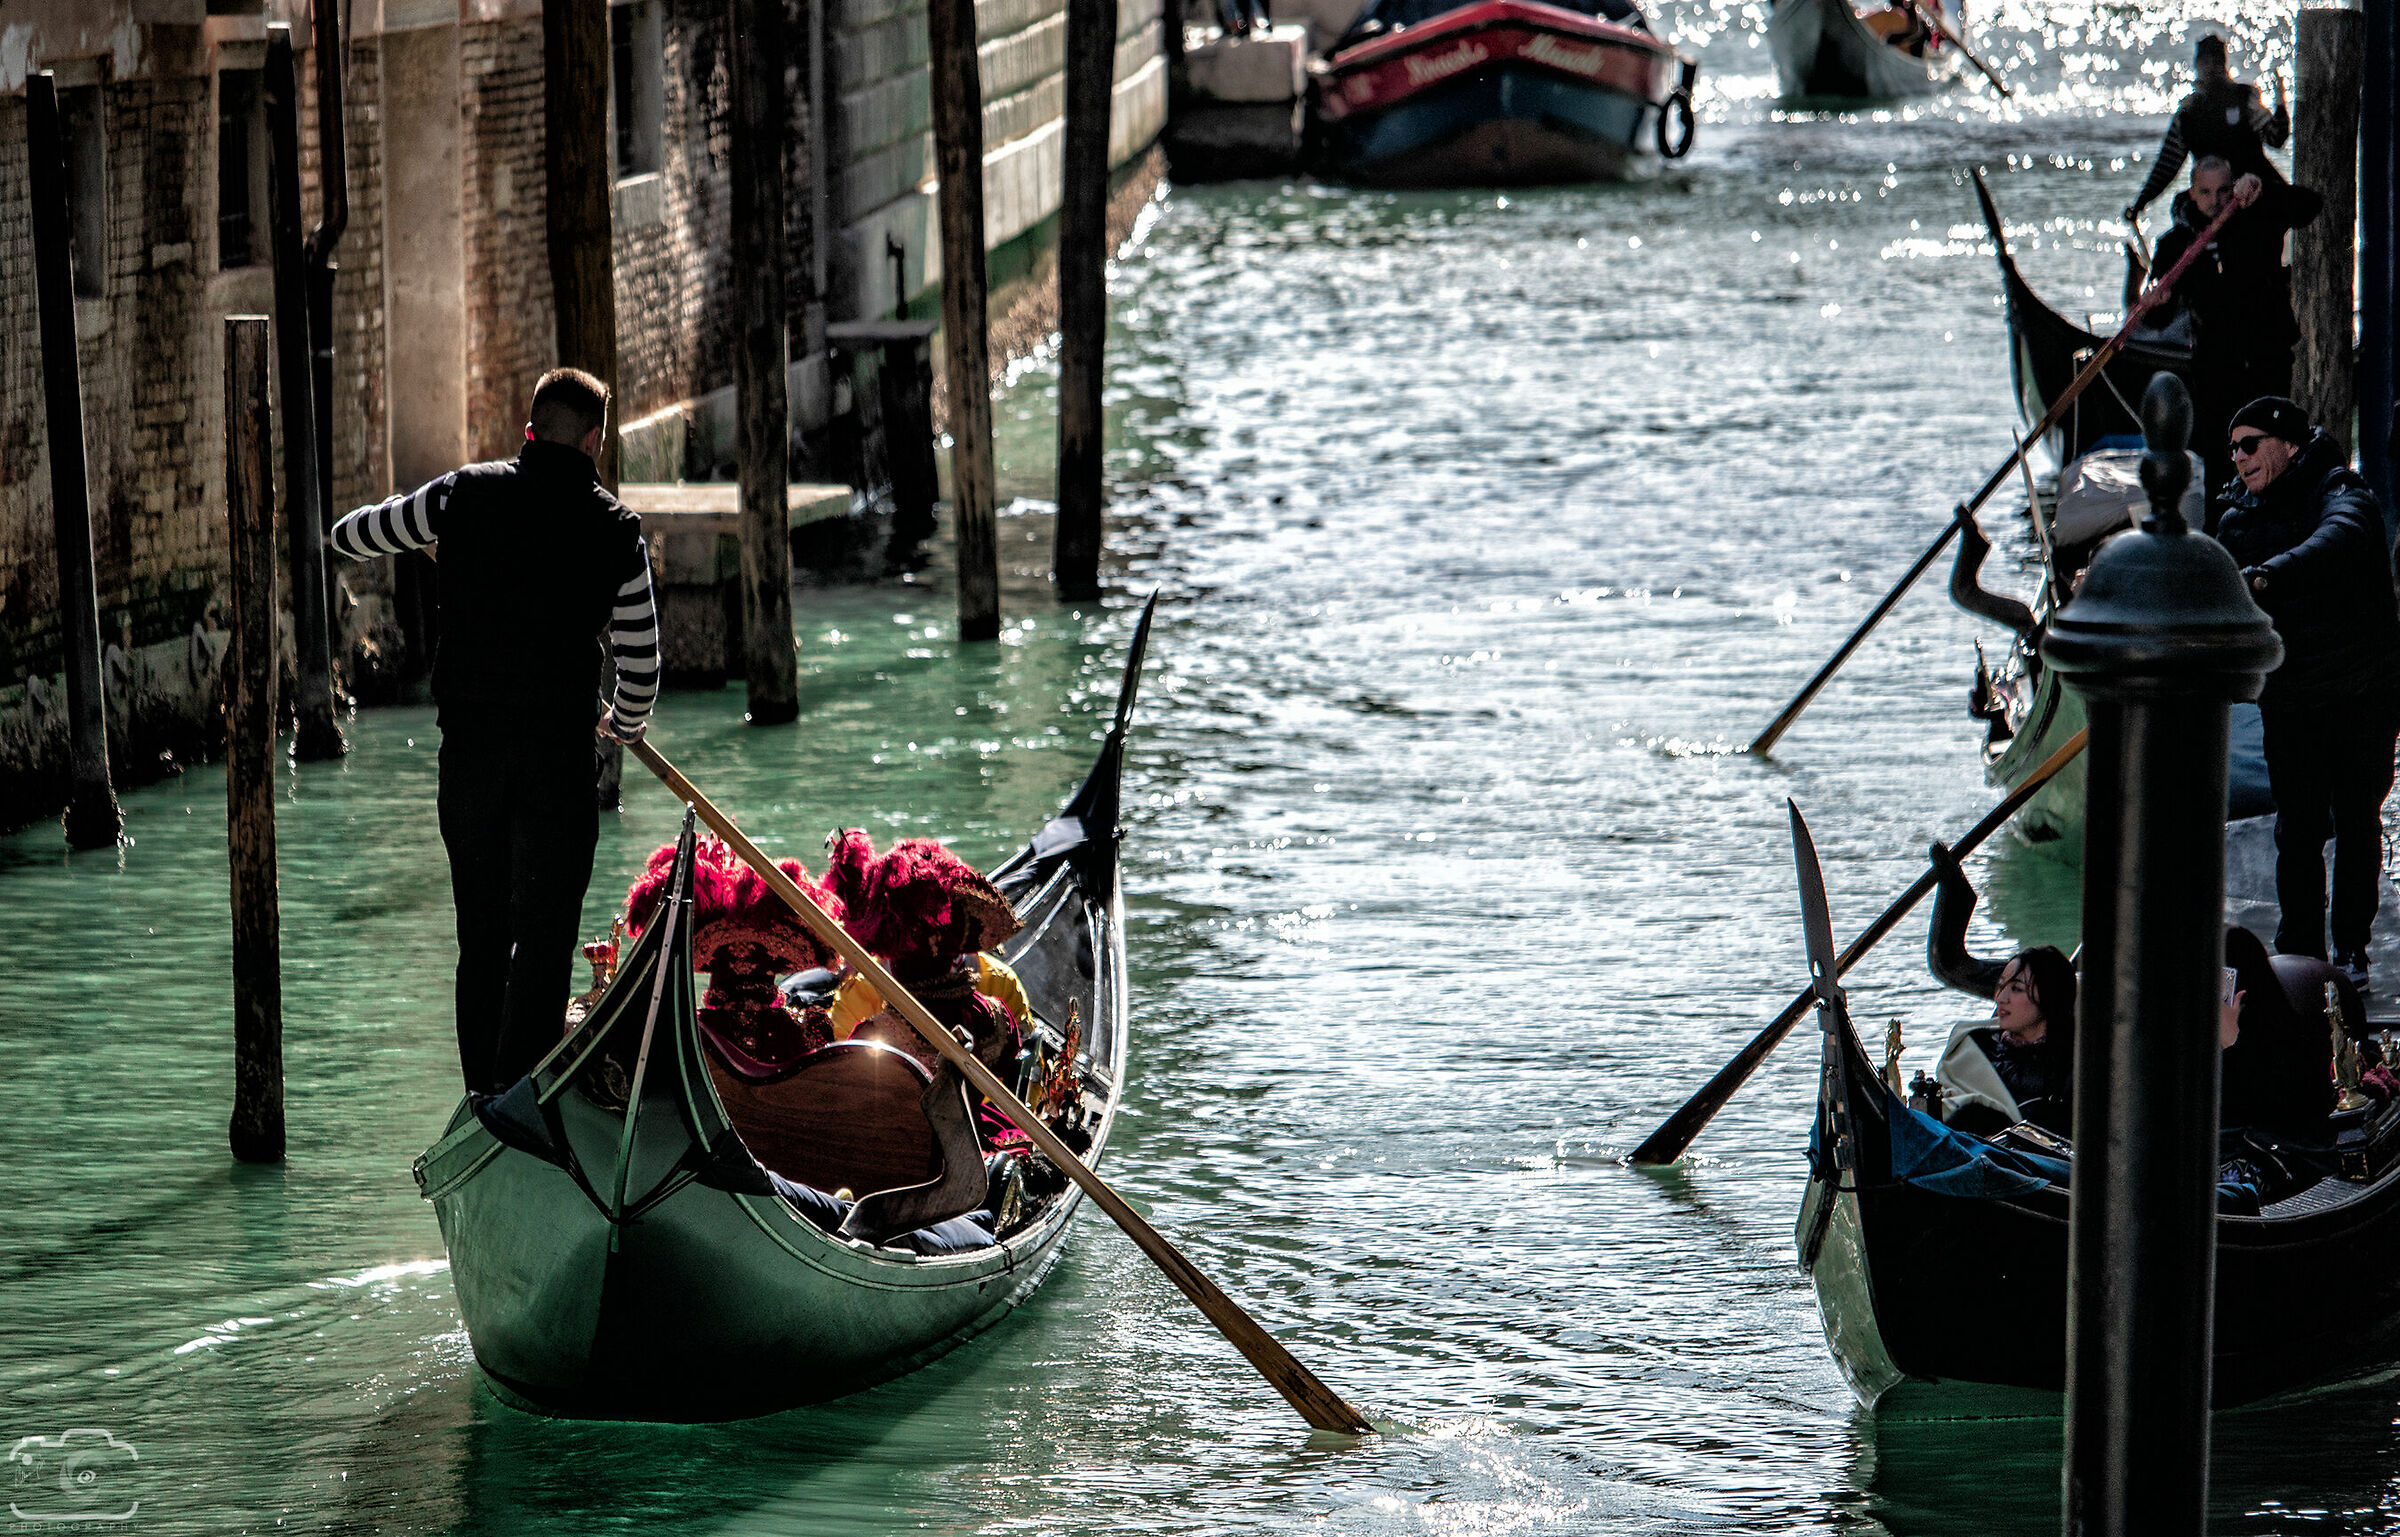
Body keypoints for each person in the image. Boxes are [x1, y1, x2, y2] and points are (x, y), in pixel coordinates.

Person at [329, 367, 660, 1092]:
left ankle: (482, 1091)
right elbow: (642, 665)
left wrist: (423, 536)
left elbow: (355, 533)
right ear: (596, 442)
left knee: (481, 938)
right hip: (557, 767)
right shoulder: (616, 531)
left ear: (529, 429)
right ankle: (519, 1098)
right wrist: (622, 726)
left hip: (471, 763)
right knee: (544, 942)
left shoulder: (461, 494)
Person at [2216, 396, 2400, 989]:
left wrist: (2270, 574)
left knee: (2355, 821)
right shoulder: (2235, 520)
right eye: (2233, 447)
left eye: (2250, 444)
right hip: (2292, 699)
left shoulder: (2343, 493)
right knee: (2296, 829)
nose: (2239, 457)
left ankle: (2352, 949)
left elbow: (2338, 539)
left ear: (2288, 445)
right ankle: (2298, 949)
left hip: (2361, 693)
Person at [2146, 159, 2322, 498]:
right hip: (2215, 364)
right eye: (2206, 192)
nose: (2215, 201)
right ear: (2192, 193)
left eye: (2223, 190)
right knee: (2222, 454)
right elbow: (2159, 319)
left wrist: (2261, 186)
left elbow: (2310, 206)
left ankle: (2276, 516)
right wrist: (2157, 303)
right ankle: (2223, 529)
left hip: (2266, 355)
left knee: (2273, 447)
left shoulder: (2257, 218)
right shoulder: (2175, 243)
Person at [2123, 33, 2288, 227]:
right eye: (2205, 62)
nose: (2210, 68)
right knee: (2181, 209)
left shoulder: (2245, 100)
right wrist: (2141, 203)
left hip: (2254, 189)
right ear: (2197, 65)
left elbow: (2276, 139)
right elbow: (2167, 165)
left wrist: (2280, 105)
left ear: (2223, 64)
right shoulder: (2188, 113)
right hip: (2212, 197)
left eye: (2215, 62)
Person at [1935, 946, 2078, 1136]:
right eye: (2001, 986)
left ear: (2050, 996)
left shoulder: (2075, 1070)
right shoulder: (1973, 1042)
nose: (2000, 998)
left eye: (2016, 989)